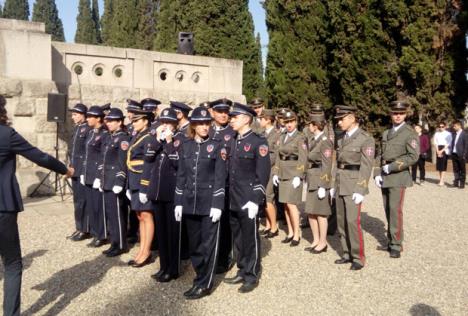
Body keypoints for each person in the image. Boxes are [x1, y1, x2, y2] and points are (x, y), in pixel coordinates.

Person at [0, 95, 73, 316]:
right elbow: (39, 157)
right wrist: (65, 169)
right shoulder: (6, 135)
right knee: (12, 265)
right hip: (3, 207)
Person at [174, 107, 227, 299]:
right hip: (190, 202)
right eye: (201, 123)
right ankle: (200, 274)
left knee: (208, 245)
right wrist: (178, 201)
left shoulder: (218, 145)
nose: (205, 127)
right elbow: (181, 175)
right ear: (193, 125)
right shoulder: (186, 145)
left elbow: (221, 178)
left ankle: (204, 284)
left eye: (207, 123)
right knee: (195, 245)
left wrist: (217, 203)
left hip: (209, 204)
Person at [223, 103, 271, 293]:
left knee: (250, 238)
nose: (231, 120)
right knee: (238, 238)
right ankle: (242, 270)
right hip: (233, 197)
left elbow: (263, 174)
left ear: (246, 119)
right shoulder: (233, 140)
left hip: (248, 199)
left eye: (235, 117)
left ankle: (252, 274)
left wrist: (256, 199)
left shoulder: (259, 142)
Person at [140, 108, 183, 282]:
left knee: (172, 233)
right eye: (162, 122)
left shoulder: (180, 140)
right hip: (157, 192)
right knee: (162, 233)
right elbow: (148, 157)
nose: (165, 125)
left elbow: (177, 162)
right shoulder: (155, 139)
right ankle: (163, 266)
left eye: (169, 122)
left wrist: (168, 142)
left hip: (171, 192)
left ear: (175, 124)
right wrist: (158, 141)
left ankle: (173, 268)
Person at [374, 101, 419, 259]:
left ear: (405, 114)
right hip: (385, 176)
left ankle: (396, 244)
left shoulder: (409, 133)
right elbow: (380, 155)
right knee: (387, 209)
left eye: (401, 113)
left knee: (395, 210)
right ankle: (391, 239)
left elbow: (413, 156)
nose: (398, 116)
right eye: (395, 113)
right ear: (390, 114)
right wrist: (377, 173)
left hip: (398, 176)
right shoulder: (386, 133)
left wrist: (392, 167)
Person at [332, 105, 374, 270]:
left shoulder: (365, 138)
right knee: (341, 221)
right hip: (341, 182)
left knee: (352, 222)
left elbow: (366, 166)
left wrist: (361, 189)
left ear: (351, 118)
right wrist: (333, 185)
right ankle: (346, 253)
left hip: (354, 183)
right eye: (338, 119)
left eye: (342, 119)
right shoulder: (341, 137)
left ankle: (358, 256)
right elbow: (338, 163)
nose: (339, 122)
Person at [208, 98, 236, 273]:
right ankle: (210, 255)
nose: (224, 115)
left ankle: (223, 258)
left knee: (225, 223)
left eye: (226, 112)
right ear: (213, 112)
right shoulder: (207, 130)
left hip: (225, 184)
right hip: (207, 183)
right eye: (220, 111)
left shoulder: (232, 133)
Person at [272, 110, 307, 246]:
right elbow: (279, 157)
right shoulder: (282, 137)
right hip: (283, 174)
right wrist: (275, 172)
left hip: (293, 175)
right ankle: (290, 232)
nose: (289, 125)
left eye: (291, 122)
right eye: (286, 122)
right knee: (286, 204)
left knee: (292, 205)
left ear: (296, 122)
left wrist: (299, 175)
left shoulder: (300, 137)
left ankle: (296, 235)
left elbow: (303, 158)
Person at [99, 108, 131, 257]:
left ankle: (121, 244)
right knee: (111, 214)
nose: (109, 123)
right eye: (108, 121)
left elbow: (122, 162)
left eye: (112, 121)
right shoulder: (110, 137)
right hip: (107, 180)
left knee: (118, 214)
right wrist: (100, 177)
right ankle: (114, 242)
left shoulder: (123, 138)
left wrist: (120, 180)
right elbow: (103, 159)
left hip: (115, 182)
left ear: (120, 122)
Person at [126, 108, 155, 268]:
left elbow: (149, 164)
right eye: (133, 120)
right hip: (134, 180)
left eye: (137, 120)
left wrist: (144, 186)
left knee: (146, 215)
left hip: (143, 181)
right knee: (139, 216)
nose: (134, 123)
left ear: (145, 121)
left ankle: (146, 252)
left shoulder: (149, 138)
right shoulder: (137, 136)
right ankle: (142, 249)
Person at [304, 113, 333, 254]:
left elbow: (327, 165)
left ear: (315, 126)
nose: (309, 126)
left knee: (320, 213)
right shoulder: (314, 139)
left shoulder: (325, 141)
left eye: (310, 124)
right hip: (312, 178)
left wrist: (323, 185)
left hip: (319, 179)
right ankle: (315, 240)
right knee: (311, 211)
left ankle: (323, 242)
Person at [82, 105, 109, 248]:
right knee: (92, 206)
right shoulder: (91, 133)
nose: (87, 119)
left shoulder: (104, 134)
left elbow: (103, 157)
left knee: (99, 206)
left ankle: (102, 234)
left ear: (98, 118)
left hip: (97, 176)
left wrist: (99, 175)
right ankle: (94, 231)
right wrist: (83, 172)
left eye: (90, 117)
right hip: (88, 174)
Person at [67, 103, 92, 241]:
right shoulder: (77, 128)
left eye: (75, 114)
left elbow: (88, 153)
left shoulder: (87, 129)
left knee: (83, 201)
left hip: (82, 170)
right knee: (77, 201)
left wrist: (83, 170)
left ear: (83, 115)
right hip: (74, 169)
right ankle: (79, 227)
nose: (73, 117)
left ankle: (85, 228)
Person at [258, 109, 281, 238]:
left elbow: (275, 154)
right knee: (264, 199)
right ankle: (268, 224)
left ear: (268, 120)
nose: (260, 121)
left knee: (268, 198)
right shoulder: (262, 133)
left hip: (271, 169)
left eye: (262, 118)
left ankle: (274, 226)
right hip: (263, 169)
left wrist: (262, 161)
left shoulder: (276, 135)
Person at [450, 120, 468, 189]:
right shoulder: (454, 134)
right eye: (453, 126)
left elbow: (466, 146)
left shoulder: (465, 134)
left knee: (462, 169)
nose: (453, 127)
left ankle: (462, 183)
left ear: (459, 126)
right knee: (455, 169)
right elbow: (453, 144)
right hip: (454, 154)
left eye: (455, 126)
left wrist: (464, 155)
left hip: (461, 155)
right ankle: (456, 182)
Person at [434, 122, 452, 186]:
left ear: (445, 127)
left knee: (443, 165)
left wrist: (441, 151)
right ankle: (440, 179)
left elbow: (449, 143)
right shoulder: (436, 133)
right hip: (438, 148)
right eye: (440, 126)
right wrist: (437, 150)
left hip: (444, 149)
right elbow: (435, 142)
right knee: (439, 166)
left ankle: (442, 180)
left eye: (442, 126)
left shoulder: (448, 134)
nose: (441, 128)